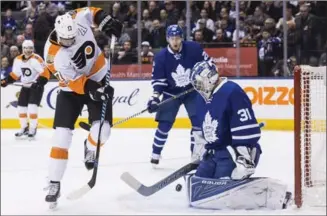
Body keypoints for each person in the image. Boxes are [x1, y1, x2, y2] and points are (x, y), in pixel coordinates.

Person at [42, 7, 122, 207]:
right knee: (61, 136)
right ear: (59, 35)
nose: (70, 42)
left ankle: (89, 146)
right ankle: (54, 182)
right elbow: (75, 83)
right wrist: (96, 90)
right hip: (71, 90)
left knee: (103, 132)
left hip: (98, 74)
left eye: (72, 37)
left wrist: (104, 20)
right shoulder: (52, 55)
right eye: (66, 40)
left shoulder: (75, 18)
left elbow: (92, 12)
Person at [185, 61, 292, 210]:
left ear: (211, 77)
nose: (199, 88)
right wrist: (198, 153)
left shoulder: (232, 91)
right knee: (198, 192)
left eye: (200, 83)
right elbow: (199, 128)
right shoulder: (200, 98)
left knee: (222, 192)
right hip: (213, 154)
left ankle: (274, 194)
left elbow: (244, 130)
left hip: (232, 153)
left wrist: (244, 159)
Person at [147, 24, 211, 167]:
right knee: (164, 124)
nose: (175, 41)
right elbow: (158, 81)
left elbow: (208, 64)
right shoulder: (161, 57)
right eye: (172, 38)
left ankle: (196, 154)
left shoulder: (193, 48)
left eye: (177, 38)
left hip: (192, 91)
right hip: (171, 92)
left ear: (182, 38)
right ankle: (155, 153)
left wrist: (205, 79)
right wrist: (155, 97)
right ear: (167, 39)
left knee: (198, 123)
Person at [1, 40, 50, 139]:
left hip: (36, 87)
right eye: (26, 48)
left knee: (32, 108)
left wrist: (38, 83)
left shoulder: (37, 59)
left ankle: (32, 128)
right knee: (21, 108)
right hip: (25, 87)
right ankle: (24, 127)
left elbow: (46, 73)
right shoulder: (18, 60)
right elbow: (15, 75)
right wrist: (5, 81)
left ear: (33, 49)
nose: (28, 50)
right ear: (22, 49)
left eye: (30, 48)